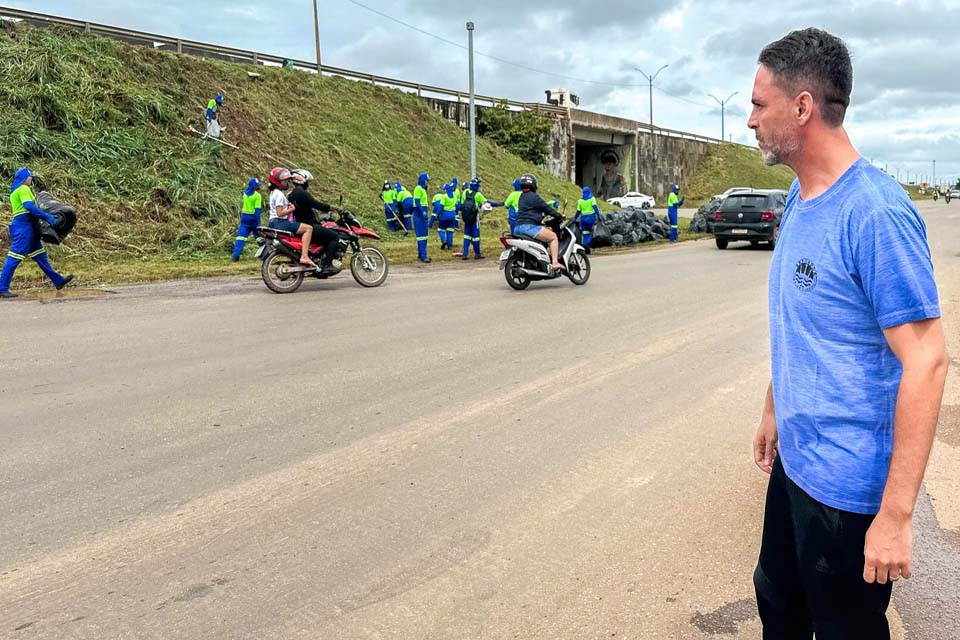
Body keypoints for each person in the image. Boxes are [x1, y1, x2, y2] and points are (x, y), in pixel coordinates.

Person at [748, 28, 948, 638]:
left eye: (759, 104)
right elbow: (804, 325)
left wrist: (895, 516)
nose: (749, 120)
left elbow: (927, 361)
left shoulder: (876, 214)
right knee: (776, 600)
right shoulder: (798, 196)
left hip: (848, 492)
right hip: (797, 465)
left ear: (802, 107)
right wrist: (774, 405)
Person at [0, 168, 73, 299]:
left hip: (28, 226)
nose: (31, 179)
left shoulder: (15, 191)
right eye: (30, 177)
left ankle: (58, 281)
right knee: (14, 258)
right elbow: (29, 206)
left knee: (41, 256)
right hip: (24, 227)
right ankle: (2, 288)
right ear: (24, 178)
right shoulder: (23, 189)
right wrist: (47, 217)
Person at [288, 169, 343, 274]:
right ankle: (327, 265)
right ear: (302, 180)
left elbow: (305, 209)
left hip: (301, 224)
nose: (308, 184)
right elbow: (317, 205)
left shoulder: (292, 194)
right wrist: (335, 208)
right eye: (307, 181)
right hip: (309, 226)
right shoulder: (302, 193)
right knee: (334, 236)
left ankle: (319, 260)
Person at [266, 167, 316, 269]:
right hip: (279, 222)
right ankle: (305, 256)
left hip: (273, 222)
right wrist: (292, 209)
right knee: (308, 228)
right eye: (284, 181)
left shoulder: (273, 193)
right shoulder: (279, 194)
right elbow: (279, 213)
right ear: (278, 182)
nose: (287, 182)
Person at [513, 173, 563, 272]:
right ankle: (555, 262)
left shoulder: (522, 197)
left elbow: (530, 211)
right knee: (553, 237)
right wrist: (558, 215)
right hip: (529, 227)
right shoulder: (534, 197)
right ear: (533, 184)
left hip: (518, 227)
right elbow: (546, 208)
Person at [459, 177, 502, 260]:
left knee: (466, 236)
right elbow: (487, 203)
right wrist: (499, 204)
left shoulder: (465, 192)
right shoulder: (478, 195)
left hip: (466, 217)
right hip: (474, 218)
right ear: (476, 186)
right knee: (476, 237)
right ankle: (477, 253)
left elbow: (461, 205)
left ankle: (465, 254)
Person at [232, 177, 263, 261]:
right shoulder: (257, 196)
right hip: (253, 218)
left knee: (241, 237)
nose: (259, 187)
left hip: (244, 218)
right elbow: (257, 211)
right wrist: (259, 223)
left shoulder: (245, 193)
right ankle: (265, 256)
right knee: (259, 237)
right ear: (254, 186)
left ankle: (235, 256)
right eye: (257, 185)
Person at [412, 172, 432, 263]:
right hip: (419, 214)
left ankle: (421, 254)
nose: (427, 183)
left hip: (422, 214)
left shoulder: (423, 190)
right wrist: (422, 211)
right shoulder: (418, 189)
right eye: (426, 181)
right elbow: (417, 201)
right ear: (423, 180)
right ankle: (424, 256)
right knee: (421, 236)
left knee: (424, 236)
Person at [575, 186, 600, 251]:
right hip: (590, 218)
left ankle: (585, 246)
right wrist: (599, 216)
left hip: (583, 219)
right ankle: (588, 246)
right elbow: (595, 208)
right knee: (590, 232)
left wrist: (575, 218)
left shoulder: (580, 201)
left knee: (584, 233)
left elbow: (578, 211)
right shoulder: (592, 199)